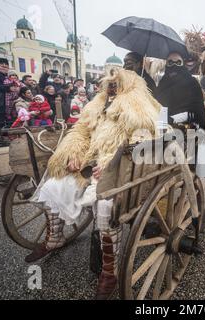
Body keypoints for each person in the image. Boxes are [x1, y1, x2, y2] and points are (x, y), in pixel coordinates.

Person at [26, 67, 161, 300]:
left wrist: (110, 163)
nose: (110, 89)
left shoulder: (137, 107)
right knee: (53, 186)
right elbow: (80, 131)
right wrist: (72, 153)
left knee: (106, 207)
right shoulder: (96, 105)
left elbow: (144, 139)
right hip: (88, 162)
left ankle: (110, 271)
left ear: (126, 86)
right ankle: (55, 237)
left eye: (115, 85)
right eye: (108, 85)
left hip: (119, 169)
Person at [155, 52, 205, 129]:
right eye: (170, 62)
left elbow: (198, 110)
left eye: (178, 62)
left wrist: (174, 119)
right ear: (167, 64)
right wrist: (161, 123)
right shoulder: (163, 82)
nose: (174, 65)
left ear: (182, 64)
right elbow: (159, 105)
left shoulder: (191, 82)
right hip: (164, 128)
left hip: (187, 129)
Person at [0, 58, 15, 125]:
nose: (4, 65)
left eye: (6, 64)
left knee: (11, 116)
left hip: (11, 97)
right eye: (2, 63)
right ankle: (1, 132)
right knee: (2, 116)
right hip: (2, 97)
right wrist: (9, 88)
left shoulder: (9, 73)